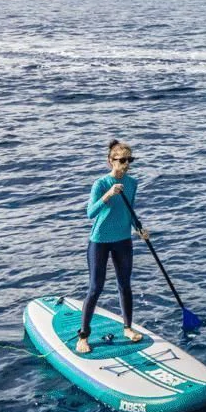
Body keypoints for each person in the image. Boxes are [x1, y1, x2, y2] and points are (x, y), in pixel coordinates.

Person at [75, 140, 150, 354]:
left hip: (123, 240)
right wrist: (108, 195)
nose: (126, 164)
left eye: (129, 160)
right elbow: (90, 213)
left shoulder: (132, 183)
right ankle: (83, 337)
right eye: (122, 160)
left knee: (125, 285)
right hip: (99, 242)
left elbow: (130, 210)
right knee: (95, 288)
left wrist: (139, 228)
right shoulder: (100, 184)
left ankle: (127, 328)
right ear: (110, 161)